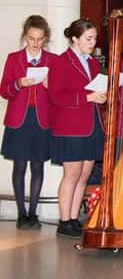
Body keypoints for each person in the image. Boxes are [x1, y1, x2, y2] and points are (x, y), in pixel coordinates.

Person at [49, 19, 105, 239]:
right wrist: (87, 96)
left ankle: (74, 218)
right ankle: (64, 220)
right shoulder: (61, 62)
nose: (93, 43)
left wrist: (100, 95)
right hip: (70, 127)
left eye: (94, 38)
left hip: (91, 124)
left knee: (84, 174)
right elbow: (56, 96)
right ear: (74, 38)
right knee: (71, 174)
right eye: (88, 38)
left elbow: (94, 89)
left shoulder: (92, 63)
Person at [1, 15, 56, 229]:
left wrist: (49, 85)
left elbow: (58, 94)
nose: (35, 43)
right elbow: (4, 90)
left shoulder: (52, 60)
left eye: (40, 39)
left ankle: (33, 213)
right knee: (19, 166)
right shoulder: (14, 59)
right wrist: (18, 83)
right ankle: (21, 213)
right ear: (25, 36)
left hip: (41, 119)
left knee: (38, 166)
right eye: (31, 38)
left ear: (45, 39)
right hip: (19, 120)